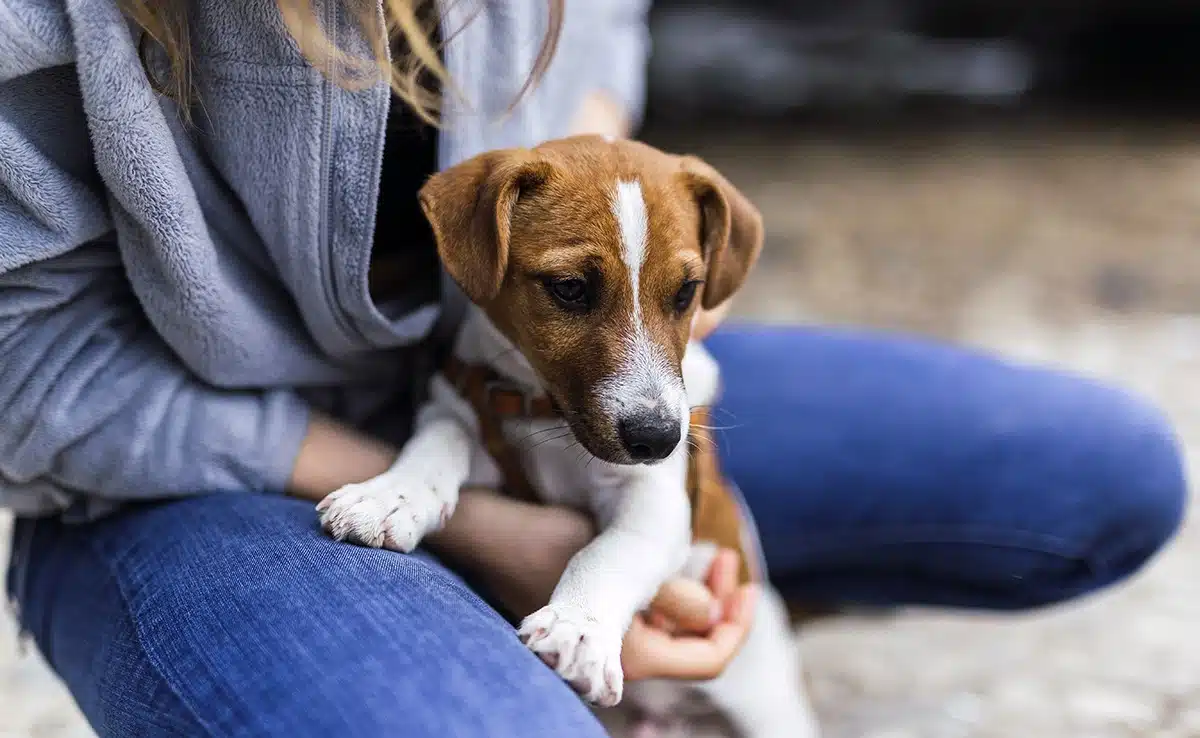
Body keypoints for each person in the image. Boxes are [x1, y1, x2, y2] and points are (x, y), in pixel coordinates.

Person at [0, 1, 1187, 735]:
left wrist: (625, 205)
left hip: (558, 424)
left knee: (1100, 473)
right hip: (188, 468)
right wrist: (478, 528)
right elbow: (26, 374)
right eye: (565, 284)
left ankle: (721, 608)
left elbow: (607, 41)